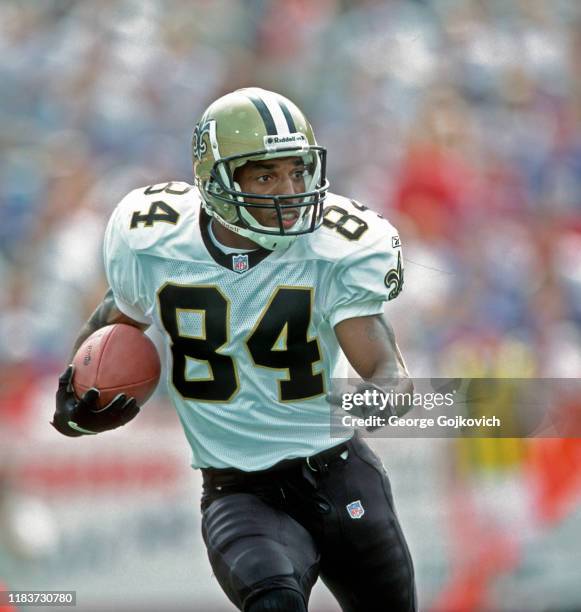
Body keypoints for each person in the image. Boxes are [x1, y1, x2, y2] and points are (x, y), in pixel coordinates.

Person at [52, 87, 416, 612]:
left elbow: (385, 366)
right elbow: (112, 325)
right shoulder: (153, 238)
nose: (289, 189)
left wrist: (382, 397)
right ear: (217, 183)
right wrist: (78, 390)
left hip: (340, 472)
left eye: (297, 171)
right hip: (241, 493)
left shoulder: (335, 245)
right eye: (266, 176)